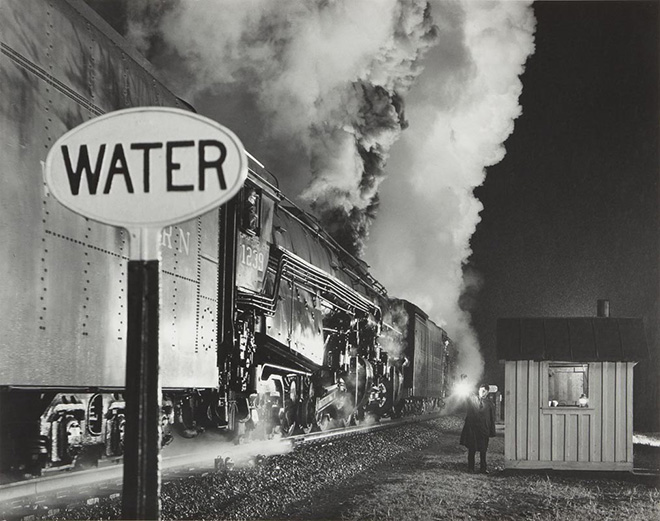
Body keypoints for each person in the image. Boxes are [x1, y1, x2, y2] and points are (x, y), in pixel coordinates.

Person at [459, 383, 496, 474]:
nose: (481, 393)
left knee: (483, 451)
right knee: (472, 449)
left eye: (484, 391)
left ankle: (483, 469)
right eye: (480, 390)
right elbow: (466, 397)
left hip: (484, 430)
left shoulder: (490, 404)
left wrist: (491, 431)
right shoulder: (473, 399)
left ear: (487, 392)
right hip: (473, 430)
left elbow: (492, 418)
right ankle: (470, 468)